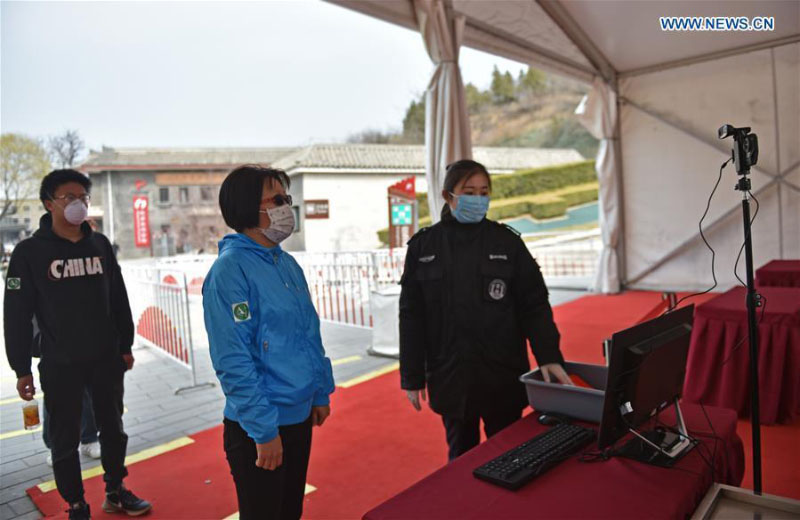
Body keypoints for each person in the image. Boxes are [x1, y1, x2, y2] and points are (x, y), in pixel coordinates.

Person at [399, 159, 573, 462]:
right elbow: (412, 316)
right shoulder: (424, 247)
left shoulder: (507, 242)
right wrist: (412, 376)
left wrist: (549, 356)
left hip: (501, 375)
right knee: (461, 460)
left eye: (484, 192)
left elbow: (534, 305)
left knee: (510, 457)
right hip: (451, 375)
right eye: (469, 191)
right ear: (447, 196)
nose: (477, 200)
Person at [4, 169, 151, 519]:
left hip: (105, 357)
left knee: (113, 430)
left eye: (83, 197)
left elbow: (118, 298)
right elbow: (15, 313)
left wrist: (125, 344)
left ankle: (115, 490)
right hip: (59, 362)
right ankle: (75, 503)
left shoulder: (99, 245)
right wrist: (21, 367)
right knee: (65, 439)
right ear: (48, 203)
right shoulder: (28, 253)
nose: (78, 204)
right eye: (68, 197)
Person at [203, 165, 335, 520]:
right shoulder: (230, 271)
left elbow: (309, 332)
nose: (285, 207)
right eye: (277, 199)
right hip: (259, 427)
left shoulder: (287, 264)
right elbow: (233, 360)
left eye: (286, 198)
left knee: (290, 511)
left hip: (298, 416)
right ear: (249, 208)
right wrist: (263, 432)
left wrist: (320, 392)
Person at [32, 318, 102, 467]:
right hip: (52, 342)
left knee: (86, 389)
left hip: (84, 338)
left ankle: (89, 438)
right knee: (54, 395)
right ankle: (54, 446)